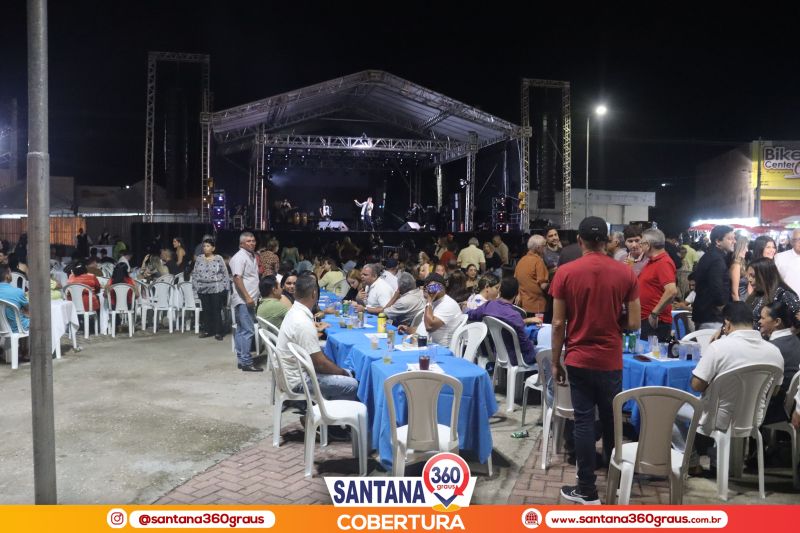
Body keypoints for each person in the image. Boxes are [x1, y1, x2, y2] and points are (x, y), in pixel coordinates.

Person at [550, 216, 640, 505]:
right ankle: (614, 482)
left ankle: (587, 488)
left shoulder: (565, 272)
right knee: (612, 420)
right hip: (610, 359)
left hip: (578, 358)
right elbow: (634, 322)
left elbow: (558, 323)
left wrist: (555, 361)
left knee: (584, 421)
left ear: (580, 241)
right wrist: (613, 321)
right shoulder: (626, 273)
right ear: (607, 241)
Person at [673, 302, 783, 475]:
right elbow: (774, 391)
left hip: (717, 419)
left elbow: (696, 385)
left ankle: (692, 461)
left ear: (727, 323)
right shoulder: (774, 352)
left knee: (671, 409)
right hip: (753, 418)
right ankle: (718, 462)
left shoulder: (719, 348)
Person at [276, 274, 358, 400]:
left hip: (290, 373)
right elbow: (320, 364)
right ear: (314, 293)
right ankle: (332, 410)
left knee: (330, 356)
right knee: (352, 384)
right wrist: (343, 373)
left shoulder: (294, 311)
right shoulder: (302, 322)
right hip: (298, 381)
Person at [466, 277, 536, 365]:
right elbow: (524, 344)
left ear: (500, 291)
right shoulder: (515, 316)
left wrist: (465, 307)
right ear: (516, 294)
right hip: (515, 358)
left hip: (496, 353)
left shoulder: (488, 305)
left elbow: (470, 315)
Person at [759, 301, 800, 424]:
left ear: (777, 322)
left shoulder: (771, 348)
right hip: (790, 405)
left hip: (772, 409)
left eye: (762, 318)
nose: (759, 321)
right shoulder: (796, 341)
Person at [398, 273, 463, 347]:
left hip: (439, 348)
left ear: (442, 288)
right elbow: (423, 327)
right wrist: (407, 329)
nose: (426, 289)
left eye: (431, 287)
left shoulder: (448, 304)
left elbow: (429, 327)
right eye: (425, 286)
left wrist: (429, 301)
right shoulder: (433, 302)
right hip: (423, 344)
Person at [692, 225, 735, 330]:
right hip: (711, 316)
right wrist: (722, 307)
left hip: (705, 313)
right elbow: (716, 286)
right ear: (718, 241)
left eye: (734, 238)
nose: (734, 241)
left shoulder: (711, 255)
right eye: (729, 238)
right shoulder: (716, 259)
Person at [638, 228, 678, 342]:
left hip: (655, 323)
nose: (640, 246)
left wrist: (654, 314)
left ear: (648, 245)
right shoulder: (653, 261)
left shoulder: (663, 263)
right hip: (648, 320)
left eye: (641, 243)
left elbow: (671, 291)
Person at [230, 232, 262, 372]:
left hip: (249, 299)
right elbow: (237, 278)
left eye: (253, 240)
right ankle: (247, 362)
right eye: (248, 241)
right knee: (248, 330)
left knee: (241, 330)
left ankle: (242, 360)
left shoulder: (251, 256)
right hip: (244, 300)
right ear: (241, 243)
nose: (252, 243)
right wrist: (247, 297)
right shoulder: (239, 257)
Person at [745, 258, 800, 330]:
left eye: (753, 276)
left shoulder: (785, 294)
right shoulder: (757, 294)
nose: (749, 279)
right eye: (748, 276)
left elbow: (797, 323)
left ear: (765, 274)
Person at [192, 238, 229, 340]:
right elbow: (195, 273)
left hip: (216, 288)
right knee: (206, 310)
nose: (205, 248)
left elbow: (225, 273)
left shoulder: (218, 258)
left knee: (216, 310)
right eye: (204, 246)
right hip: (202, 288)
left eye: (208, 246)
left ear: (213, 248)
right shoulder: (199, 258)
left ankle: (218, 332)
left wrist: (225, 287)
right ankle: (207, 330)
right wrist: (195, 286)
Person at [514, 235, 549, 315]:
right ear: (538, 248)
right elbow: (543, 286)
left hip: (523, 306)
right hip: (538, 306)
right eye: (544, 245)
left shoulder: (521, 260)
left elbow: (516, 280)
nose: (546, 247)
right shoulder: (538, 262)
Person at [775, 228, 800, 296]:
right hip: (786, 300)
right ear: (792, 242)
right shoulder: (779, 258)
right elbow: (773, 281)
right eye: (798, 239)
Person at [730, 234, 749, 302]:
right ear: (738, 247)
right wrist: (739, 306)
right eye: (745, 246)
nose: (747, 250)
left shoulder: (740, 263)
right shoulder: (736, 265)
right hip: (739, 301)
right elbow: (734, 293)